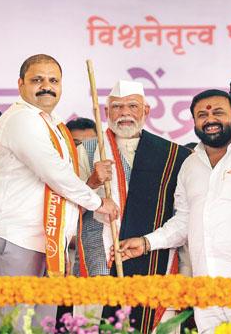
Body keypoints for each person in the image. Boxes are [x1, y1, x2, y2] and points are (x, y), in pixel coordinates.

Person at [0, 54, 118, 327]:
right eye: (37, 80)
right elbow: (51, 170)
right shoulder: (21, 119)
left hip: (46, 243)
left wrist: (91, 184)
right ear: (20, 84)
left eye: (53, 80)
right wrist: (97, 202)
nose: (46, 86)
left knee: (41, 326)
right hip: (14, 237)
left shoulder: (54, 125)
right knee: (13, 325)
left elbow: (54, 184)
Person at [116, 89, 231, 332]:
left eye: (218, 112)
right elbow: (184, 221)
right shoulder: (190, 164)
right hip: (204, 285)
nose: (210, 120)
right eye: (202, 115)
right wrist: (147, 243)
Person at [77, 79, 191, 333]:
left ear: (146, 111)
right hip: (102, 260)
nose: (125, 113)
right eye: (117, 107)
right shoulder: (88, 150)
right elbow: (69, 205)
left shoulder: (173, 155)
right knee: (96, 323)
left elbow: (181, 214)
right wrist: (93, 181)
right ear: (106, 112)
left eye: (132, 106)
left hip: (153, 260)